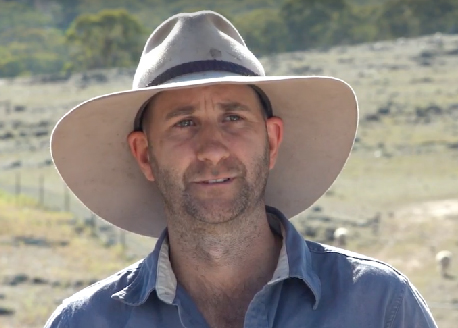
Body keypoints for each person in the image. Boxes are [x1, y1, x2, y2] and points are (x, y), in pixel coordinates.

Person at [44, 10, 437, 328]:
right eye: (184, 123)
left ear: (272, 141)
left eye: (232, 118)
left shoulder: (381, 307)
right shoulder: (86, 322)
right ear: (145, 154)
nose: (212, 150)